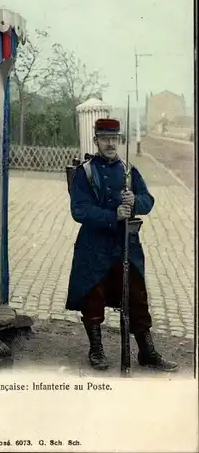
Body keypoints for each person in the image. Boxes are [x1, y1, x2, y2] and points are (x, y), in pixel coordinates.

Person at [66, 118, 178, 372]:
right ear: (96, 141)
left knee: (137, 296)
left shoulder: (129, 170)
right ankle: (96, 349)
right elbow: (79, 210)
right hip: (94, 246)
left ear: (120, 140)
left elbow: (148, 201)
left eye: (114, 139)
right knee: (93, 296)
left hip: (126, 244)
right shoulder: (85, 172)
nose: (110, 143)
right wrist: (111, 215)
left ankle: (147, 352)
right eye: (104, 138)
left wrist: (134, 200)